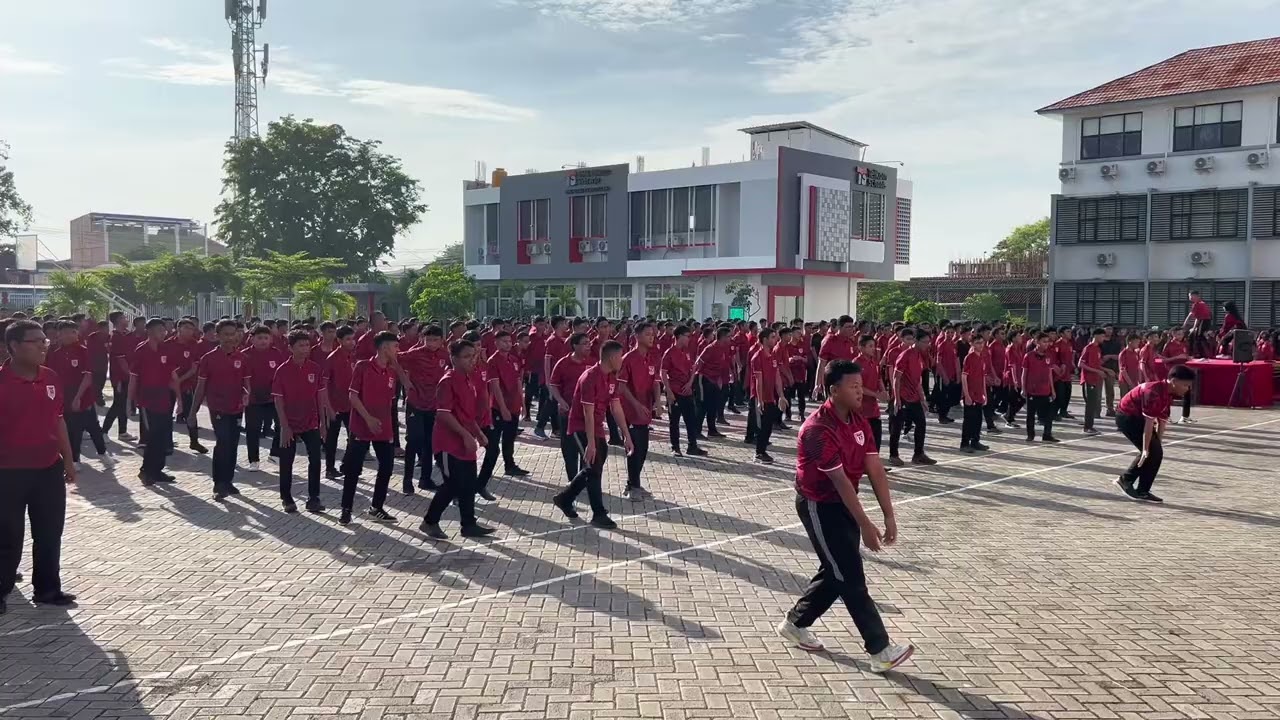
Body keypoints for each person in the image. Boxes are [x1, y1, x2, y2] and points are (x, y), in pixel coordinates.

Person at [775, 359, 914, 673]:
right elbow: (838, 481)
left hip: (843, 502)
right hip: (819, 505)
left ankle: (795, 623)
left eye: (860, 385)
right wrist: (866, 524)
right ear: (833, 390)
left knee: (836, 569)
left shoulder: (858, 419)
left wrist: (889, 515)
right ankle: (880, 649)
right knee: (850, 575)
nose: (859, 390)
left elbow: (874, 468)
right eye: (853, 386)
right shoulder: (817, 429)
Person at [0, 319, 79, 615]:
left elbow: (58, 420)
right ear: (14, 346)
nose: (44, 344)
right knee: (7, 534)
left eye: (44, 340)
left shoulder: (50, 378)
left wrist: (68, 460)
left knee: (49, 532)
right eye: (35, 341)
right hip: (8, 471)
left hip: (47, 468)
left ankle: (47, 588)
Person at [552, 340, 634, 530]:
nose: (622, 360)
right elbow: (587, 413)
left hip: (596, 426)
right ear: (612, 358)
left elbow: (615, 407)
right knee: (593, 466)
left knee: (593, 467)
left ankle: (565, 498)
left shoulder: (611, 377)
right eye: (620, 356)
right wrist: (591, 443)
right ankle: (598, 513)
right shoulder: (590, 377)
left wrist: (626, 434)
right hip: (580, 426)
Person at [421, 339, 495, 539]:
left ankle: (469, 524)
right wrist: (464, 435)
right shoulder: (448, 380)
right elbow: (444, 414)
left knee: (469, 482)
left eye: (473, 356)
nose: (471, 360)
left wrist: (478, 433)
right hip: (448, 442)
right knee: (453, 483)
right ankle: (430, 521)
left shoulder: (469, 379)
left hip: (466, 439)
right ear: (453, 359)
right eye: (466, 357)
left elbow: (466, 414)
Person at [339, 331, 400, 526]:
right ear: (384, 348)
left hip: (384, 428)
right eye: (395, 346)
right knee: (353, 470)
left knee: (387, 467)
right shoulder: (363, 366)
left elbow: (390, 402)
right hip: (361, 427)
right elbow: (352, 396)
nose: (397, 350)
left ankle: (376, 507)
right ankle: (346, 510)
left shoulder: (391, 371)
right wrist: (368, 418)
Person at [1113, 365, 1195, 503]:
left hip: (1140, 418)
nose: (1188, 389)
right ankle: (1125, 480)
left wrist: (1157, 444)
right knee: (1150, 451)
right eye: (1186, 385)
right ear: (1174, 381)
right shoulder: (1154, 392)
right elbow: (1149, 423)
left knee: (1156, 452)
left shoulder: (1168, 394)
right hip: (1127, 416)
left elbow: (1162, 422)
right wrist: (1146, 449)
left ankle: (1143, 490)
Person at [191, 319, 250, 500]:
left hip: (237, 408)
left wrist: (247, 395)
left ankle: (228, 481)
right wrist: (192, 412)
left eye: (233, 334)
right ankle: (219, 483)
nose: (230, 338)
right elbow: (200, 387)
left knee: (233, 444)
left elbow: (246, 383)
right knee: (223, 442)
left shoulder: (242, 358)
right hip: (218, 408)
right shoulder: (208, 358)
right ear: (217, 336)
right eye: (226, 334)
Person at [272, 330, 327, 514]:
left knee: (316, 460)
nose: (305, 349)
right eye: (300, 346)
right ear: (290, 348)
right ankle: (286, 498)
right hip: (289, 422)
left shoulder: (315, 368)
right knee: (287, 461)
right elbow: (278, 401)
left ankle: (314, 498)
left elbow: (320, 397)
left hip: (310, 421)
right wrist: (284, 427)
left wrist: (322, 422)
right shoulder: (282, 371)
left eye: (307, 345)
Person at [46, 321, 109, 467]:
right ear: (59, 335)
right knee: (71, 428)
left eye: (73, 332)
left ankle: (102, 453)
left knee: (92, 426)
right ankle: (74, 459)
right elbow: (52, 378)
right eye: (65, 333)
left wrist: (78, 397)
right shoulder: (55, 354)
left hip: (83, 396)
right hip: (64, 397)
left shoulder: (83, 351)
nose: (69, 335)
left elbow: (87, 376)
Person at [477, 331, 529, 502]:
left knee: (510, 437)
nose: (507, 344)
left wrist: (521, 402)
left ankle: (510, 465)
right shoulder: (493, 361)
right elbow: (495, 387)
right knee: (493, 445)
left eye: (509, 341)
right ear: (496, 342)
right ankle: (480, 482)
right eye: (503, 341)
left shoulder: (513, 360)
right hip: (498, 409)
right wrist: (504, 408)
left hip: (513, 406)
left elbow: (518, 381)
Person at [397, 324, 449, 494]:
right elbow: (393, 359)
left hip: (433, 404)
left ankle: (425, 479)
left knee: (429, 442)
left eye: (435, 340)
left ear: (442, 341)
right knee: (414, 440)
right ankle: (407, 480)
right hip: (415, 403)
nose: (432, 343)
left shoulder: (444, 355)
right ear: (422, 339)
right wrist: (405, 380)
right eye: (428, 340)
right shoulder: (415, 353)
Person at [129, 318, 179, 485]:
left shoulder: (167, 349)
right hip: (147, 399)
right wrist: (129, 401)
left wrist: (179, 400)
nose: (164, 333)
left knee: (163, 436)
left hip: (164, 397)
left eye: (164, 330)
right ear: (149, 331)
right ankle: (146, 470)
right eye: (160, 330)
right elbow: (133, 379)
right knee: (152, 436)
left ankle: (158, 470)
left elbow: (173, 377)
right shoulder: (141, 350)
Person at [617, 322, 660, 497]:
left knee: (643, 449)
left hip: (644, 413)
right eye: (648, 334)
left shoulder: (650, 358)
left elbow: (655, 382)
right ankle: (632, 486)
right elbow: (621, 387)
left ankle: (633, 483)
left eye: (653, 334)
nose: (652, 337)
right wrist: (636, 404)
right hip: (629, 412)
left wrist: (657, 401)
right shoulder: (628, 359)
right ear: (637, 336)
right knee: (633, 449)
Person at [888, 328, 936, 466]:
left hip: (914, 397)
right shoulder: (905, 355)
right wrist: (896, 398)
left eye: (928, 342)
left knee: (921, 423)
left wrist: (922, 399)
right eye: (925, 342)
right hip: (902, 396)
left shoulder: (920, 356)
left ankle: (918, 454)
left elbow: (917, 380)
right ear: (916, 341)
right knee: (896, 427)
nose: (927, 344)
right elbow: (896, 378)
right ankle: (893, 455)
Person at [242, 325, 286, 472]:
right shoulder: (244, 355)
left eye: (266, 338)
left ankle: (275, 454)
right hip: (253, 400)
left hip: (273, 398)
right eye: (259, 338)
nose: (263, 341)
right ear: (252, 339)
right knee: (253, 430)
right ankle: (253, 460)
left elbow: (282, 376)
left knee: (281, 425)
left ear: (271, 339)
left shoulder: (276, 354)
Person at [661, 325, 706, 458]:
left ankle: (692, 446)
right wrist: (668, 391)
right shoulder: (669, 353)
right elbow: (663, 373)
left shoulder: (686, 352)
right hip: (675, 392)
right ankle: (675, 447)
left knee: (690, 420)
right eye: (687, 336)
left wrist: (690, 382)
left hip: (687, 391)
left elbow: (692, 369)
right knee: (674, 421)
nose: (689, 339)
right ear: (679, 336)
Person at [744, 328, 786, 464]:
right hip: (759, 397)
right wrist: (759, 400)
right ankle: (759, 453)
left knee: (768, 425)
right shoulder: (757, 357)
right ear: (765, 339)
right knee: (761, 426)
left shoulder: (772, 356)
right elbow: (758, 380)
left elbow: (777, 377)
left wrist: (781, 395)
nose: (776, 339)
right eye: (773, 337)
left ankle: (762, 451)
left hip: (770, 397)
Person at [321, 326, 357, 479]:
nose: (351, 342)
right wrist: (328, 407)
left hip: (350, 405)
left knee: (355, 436)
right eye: (347, 339)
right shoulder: (332, 358)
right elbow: (324, 385)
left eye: (352, 338)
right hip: (334, 405)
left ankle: (346, 464)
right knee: (332, 440)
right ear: (339, 340)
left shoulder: (353, 357)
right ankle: (330, 468)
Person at [169, 319, 208, 454]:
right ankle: (167, 441)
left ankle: (194, 441)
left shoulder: (194, 345)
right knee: (166, 413)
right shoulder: (168, 344)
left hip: (185, 384)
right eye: (186, 328)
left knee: (190, 413)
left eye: (192, 329)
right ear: (178, 328)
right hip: (168, 383)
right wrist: (173, 380)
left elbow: (194, 368)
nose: (190, 331)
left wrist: (179, 380)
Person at [101, 311, 135, 440]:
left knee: (122, 404)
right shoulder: (115, 337)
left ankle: (122, 432)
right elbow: (121, 361)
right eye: (123, 318)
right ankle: (104, 431)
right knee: (118, 404)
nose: (126, 320)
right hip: (120, 377)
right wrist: (130, 375)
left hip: (127, 375)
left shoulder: (126, 335)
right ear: (117, 321)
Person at [694, 326, 733, 438]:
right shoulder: (710, 348)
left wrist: (720, 379)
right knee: (702, 406)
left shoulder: (724, 348)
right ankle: (696, 431)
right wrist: (693, 381)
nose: (731, 338)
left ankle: (712, 430)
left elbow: (721, 365)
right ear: (723, 337)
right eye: (729, 336)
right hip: (704, 379)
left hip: (715, 380)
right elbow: (698, 364)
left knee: (713, 406)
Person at [1020, 332, 1059, 444]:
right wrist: (1023, 388)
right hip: (1032, 390)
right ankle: (1030, 435)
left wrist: (1052, 389)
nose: (1046, 344)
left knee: (1048, 414)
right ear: (1037, 342)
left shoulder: (1048, 356)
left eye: (1047, 342)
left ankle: (1047, 434)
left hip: (1045, 390)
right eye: (1044, 341)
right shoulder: (1029, 356)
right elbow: (1024, 373)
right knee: (1031, 414)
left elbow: (1049, 374)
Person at [959, 333, 989, 452]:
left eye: (982, 342)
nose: (980, 345)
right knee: (969, 420)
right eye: (977, 343)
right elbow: (964, 377)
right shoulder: (969, 358)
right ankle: (964, 443)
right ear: (971, 344)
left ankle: (975, 441)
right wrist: (966, 395)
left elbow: (982, 378)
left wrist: (985, 394)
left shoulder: (982, 357)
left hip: (979, 393)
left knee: (978, 419)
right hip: (970, 394)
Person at [1078, 328, 1108, 435]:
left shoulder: (1098, 349)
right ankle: (1087, 427)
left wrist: (1106, 370)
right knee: (1090, 404)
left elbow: (1096, 364)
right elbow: (1081, 364)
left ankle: (1090, 426)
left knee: (1093, 403)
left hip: (1095, 380)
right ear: (1095, 335)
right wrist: (1097, 371)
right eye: (1102, 336)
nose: (1104, 338)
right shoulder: (1088, 348)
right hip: (1088, 379)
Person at [1162, 328, 1194, 424]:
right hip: (1173, 373)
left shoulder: (1184, 344)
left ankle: (1185, 416)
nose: (1181, 336)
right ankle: (1166, 416)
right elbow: (1164, 360)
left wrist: (1188, 358)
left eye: (1182, 334)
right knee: (1169, 395)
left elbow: (1185, 356)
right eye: (1178, 334)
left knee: (1187, 393)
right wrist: (1177, 357)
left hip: (1183, 371)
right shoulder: (1168, 345)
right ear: (1173, 334)